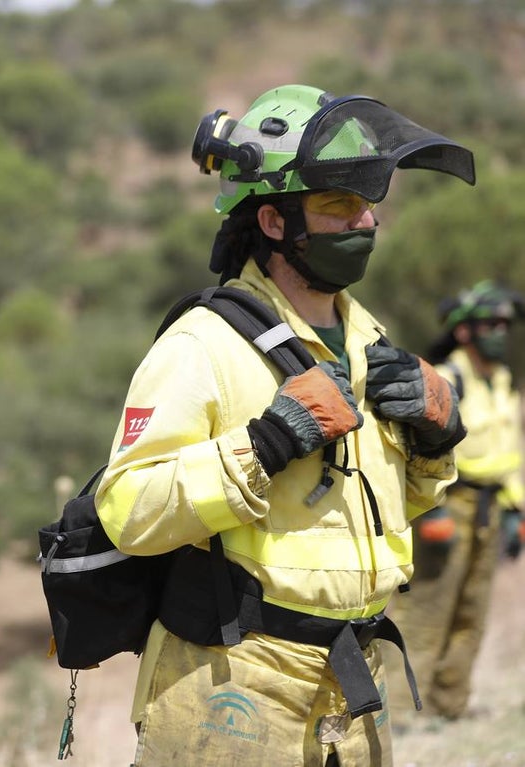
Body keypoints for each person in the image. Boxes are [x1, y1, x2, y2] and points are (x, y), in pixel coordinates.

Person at [94, 84, 476, 766]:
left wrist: (434, 443)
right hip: (234, 689)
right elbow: (128, 510)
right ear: (273, 222)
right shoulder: (202, 343)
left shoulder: (368, 340)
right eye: (339, 204)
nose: (364, 221)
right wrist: (267, 443)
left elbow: (368, 512)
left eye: (368, 203)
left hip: (353, 687)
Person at [383, 280, 524, 725]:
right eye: (490, 323)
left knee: (472, 610)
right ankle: (401, 712)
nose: (500, 331)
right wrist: (432, 508)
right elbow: (414, 447)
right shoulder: (446, 377)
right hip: (449, 504)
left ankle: (450, 702)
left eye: (505, 323)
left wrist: (516, 510)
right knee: (426, 607)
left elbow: (509, 449)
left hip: (491, 506)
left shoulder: (503, 379)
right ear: (465, 331)